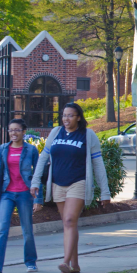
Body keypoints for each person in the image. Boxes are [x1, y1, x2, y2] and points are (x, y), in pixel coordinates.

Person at [32, 103, 111, 273]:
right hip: (57, 183)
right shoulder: (56, 132)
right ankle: (75, 266)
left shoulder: (88, 135)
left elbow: (98, 164)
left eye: (70, 115)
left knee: (69, 221)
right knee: (69, 225)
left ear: (79, 117)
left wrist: (105, 191)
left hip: (78, 182)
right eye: (64, 115)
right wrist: (35, 181)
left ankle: (65, 262)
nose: (66, 119)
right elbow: (43, 157)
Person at [0, 119, 42, 272]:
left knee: (27, 230)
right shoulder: (2, 149)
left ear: (24, 131)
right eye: (11, 130)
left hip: (25, 193)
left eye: (17, 130)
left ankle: (31, 262)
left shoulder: (31, 150)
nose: (13, 133)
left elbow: (38, 175)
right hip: (7, 194)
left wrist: (38, 198)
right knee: (2, 229)